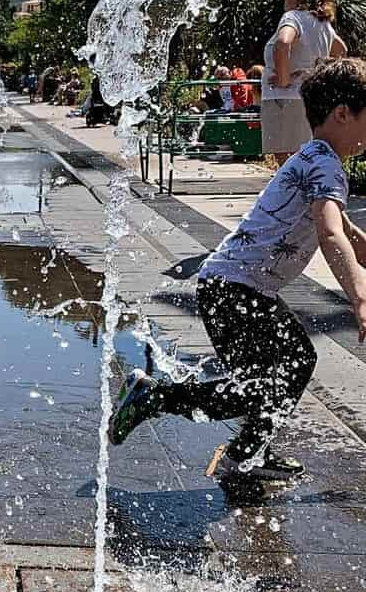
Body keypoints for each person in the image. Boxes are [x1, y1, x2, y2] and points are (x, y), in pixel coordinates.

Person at [111, 58, 366, 482]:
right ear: (342, 114)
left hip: (236, 288)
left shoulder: (313, 156)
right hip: (235, 290)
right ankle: (157, 398)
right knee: (261, 385)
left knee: (291, 364)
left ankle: (248, 452)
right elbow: (330, 233)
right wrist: (359, 295)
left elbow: (347, 231)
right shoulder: (325, 165)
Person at [262, 0, 346, 164]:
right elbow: (341, 51)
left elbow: (283, 44)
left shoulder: (293, 17)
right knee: (305, 161)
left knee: (288, 164)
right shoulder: (321, 23)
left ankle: (299, 195)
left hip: (283, 99)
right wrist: (313, 74)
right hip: (308, 100)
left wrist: (284, 80)